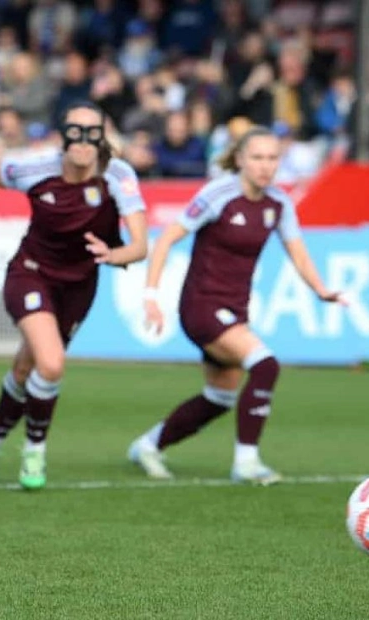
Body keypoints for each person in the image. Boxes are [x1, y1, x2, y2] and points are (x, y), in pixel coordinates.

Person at [128, 126, 344, 485]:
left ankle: (148, 445)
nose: (265, 165)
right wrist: (151, 296)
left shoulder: (279, 202)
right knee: (266, 365)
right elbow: (167, 237)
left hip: (235, 308)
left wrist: (321, 290)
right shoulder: (219, 193)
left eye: (273, 158)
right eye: (257, 157)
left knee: (220, 396)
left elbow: (299, 253)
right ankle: (246, 463)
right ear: (241, 159)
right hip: (201, 306)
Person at [0, 100, 148, 490]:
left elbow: (140, 246)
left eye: (91, 132)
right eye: (74, 132)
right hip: (30, 274)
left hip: (79, 286)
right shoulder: (31, 167)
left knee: (27, 368)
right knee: (52, 362)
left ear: (103, 137)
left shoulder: (118, 175)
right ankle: (35, 450)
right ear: (62, 137)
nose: (82, 141)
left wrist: (114, 255)